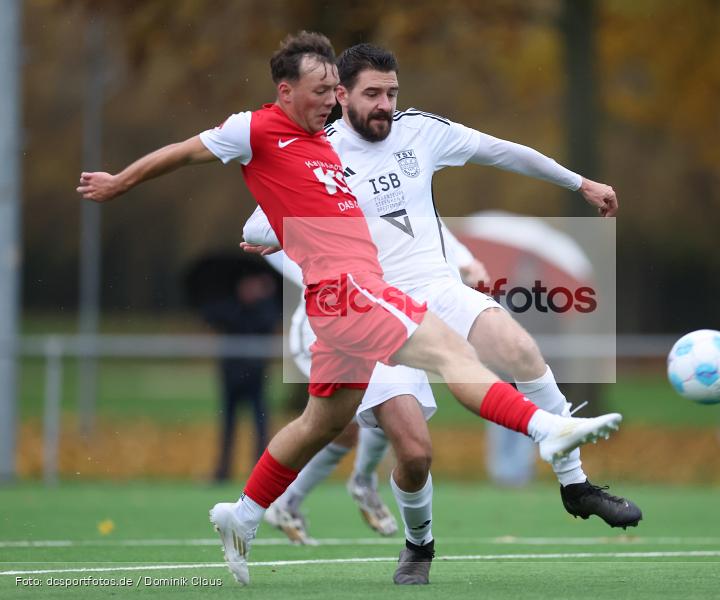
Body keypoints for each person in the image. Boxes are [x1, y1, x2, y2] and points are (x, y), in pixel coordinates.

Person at [75, 31, 624, 587]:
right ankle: (546, 430)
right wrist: (121, 182)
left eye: (335, 88)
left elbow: (332, 207)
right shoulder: (257, 129)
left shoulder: (325, 144)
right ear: (288, 91)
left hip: (344, 299)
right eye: (324, 90)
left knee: (324, 422)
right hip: (353, 292)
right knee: (450, 354)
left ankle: (240, 515)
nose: (332, 99)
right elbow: (188, 156)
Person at [240, 42, 642, 584]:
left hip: (436, 288)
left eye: (392, 93)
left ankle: (575, 485)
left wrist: (581, 183)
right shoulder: (318, 153)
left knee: (521, 348)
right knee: (415, 454)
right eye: (372, 94)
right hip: (371, 309)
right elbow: (254, 227)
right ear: (340, 96)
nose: (385, 105)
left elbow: (504, 151)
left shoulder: (420, 132)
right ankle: (419, 546)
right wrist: (280, 231)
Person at [253, 219, 487, 547]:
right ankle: (352, 484)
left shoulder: (383, 191)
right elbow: (262, 226)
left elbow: (422, 215)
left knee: (352, 425)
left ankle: (289, 502)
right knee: (353, 413)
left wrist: (464, 259)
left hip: (379, 323)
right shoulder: (324, 187)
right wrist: (316, 265)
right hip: (325, 328)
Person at [200, 270, 280, 482]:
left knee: (261, 425)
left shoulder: (264, 309)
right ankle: (223, 469)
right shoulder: (230, 307)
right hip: (231, 376)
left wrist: (265, 297)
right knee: (228, 424)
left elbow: (269, 323)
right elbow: (211, 316)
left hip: (256, 377)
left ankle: (260, 472)